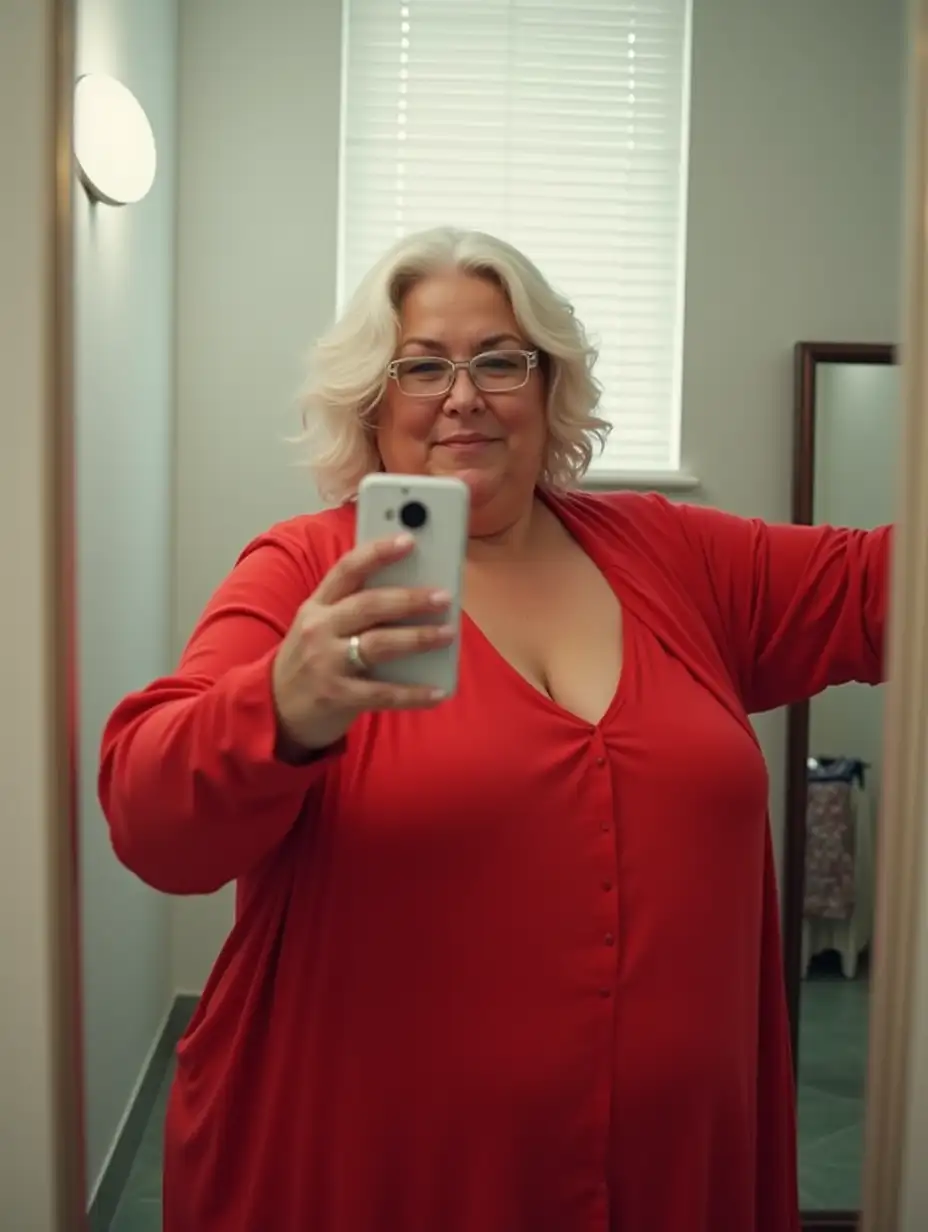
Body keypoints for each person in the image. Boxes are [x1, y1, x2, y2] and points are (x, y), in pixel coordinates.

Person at [99, 226, 889, 1232]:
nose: (462, 394)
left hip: (671, 1176)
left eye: (500, 360)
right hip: (376, 1174)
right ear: (371, 403)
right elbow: (149, 819)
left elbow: (878, 586)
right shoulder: (307, 570)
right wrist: (284, 703)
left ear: (549, 386)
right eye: (421, 366)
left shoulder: (671, 552)